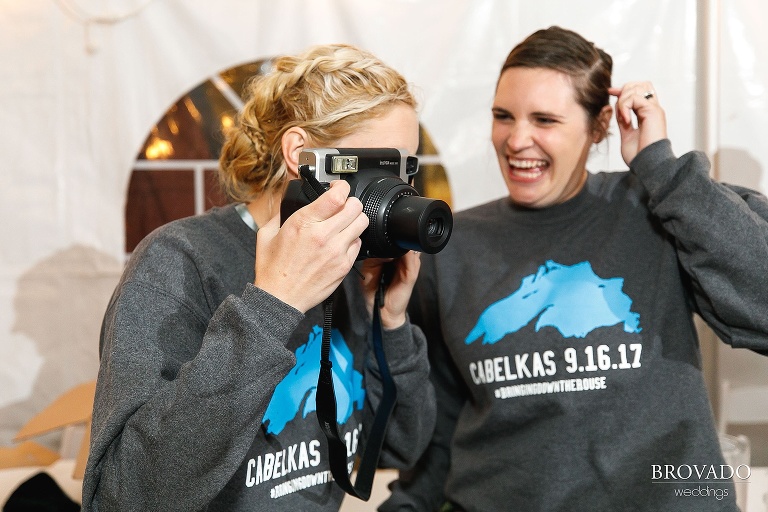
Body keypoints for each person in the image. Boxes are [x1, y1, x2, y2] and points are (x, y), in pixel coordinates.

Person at [381, 26, 768, 512]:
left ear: (601, 124)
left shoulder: (660, 206)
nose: (517, 139)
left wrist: (661, 169)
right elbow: (440, 425)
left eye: (544, 119)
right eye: (503, 116)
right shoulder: (450, 245)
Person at [81, 43, 436, 511]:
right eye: (382, 168)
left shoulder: (351, 262)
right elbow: (122, 497)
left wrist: (390, 323)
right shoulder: (179, 262)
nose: (399, 190)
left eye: (406, 168)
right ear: (301, 153)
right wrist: (274, 301)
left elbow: (399, 446)